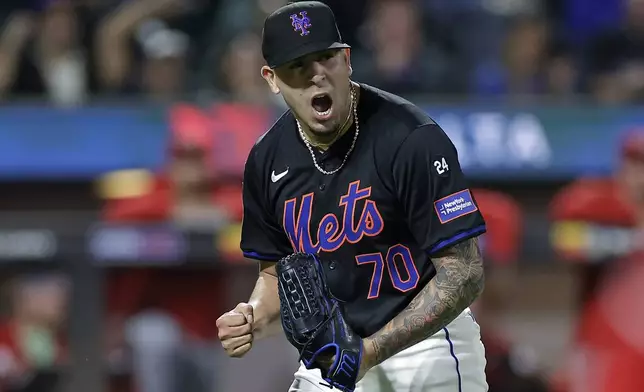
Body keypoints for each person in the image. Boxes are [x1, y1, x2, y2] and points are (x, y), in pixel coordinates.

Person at [216, 2, 488, 391]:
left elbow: (465, 273)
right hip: (333, 355)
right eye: (297, 66)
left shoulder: (410, 137)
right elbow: (277, 271)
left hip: (425, 348)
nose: (316, 77)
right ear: (272, 79)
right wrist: (253, 315)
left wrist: (370, 352)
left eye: (325, 58)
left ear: (346, 59)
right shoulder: (266, 160)